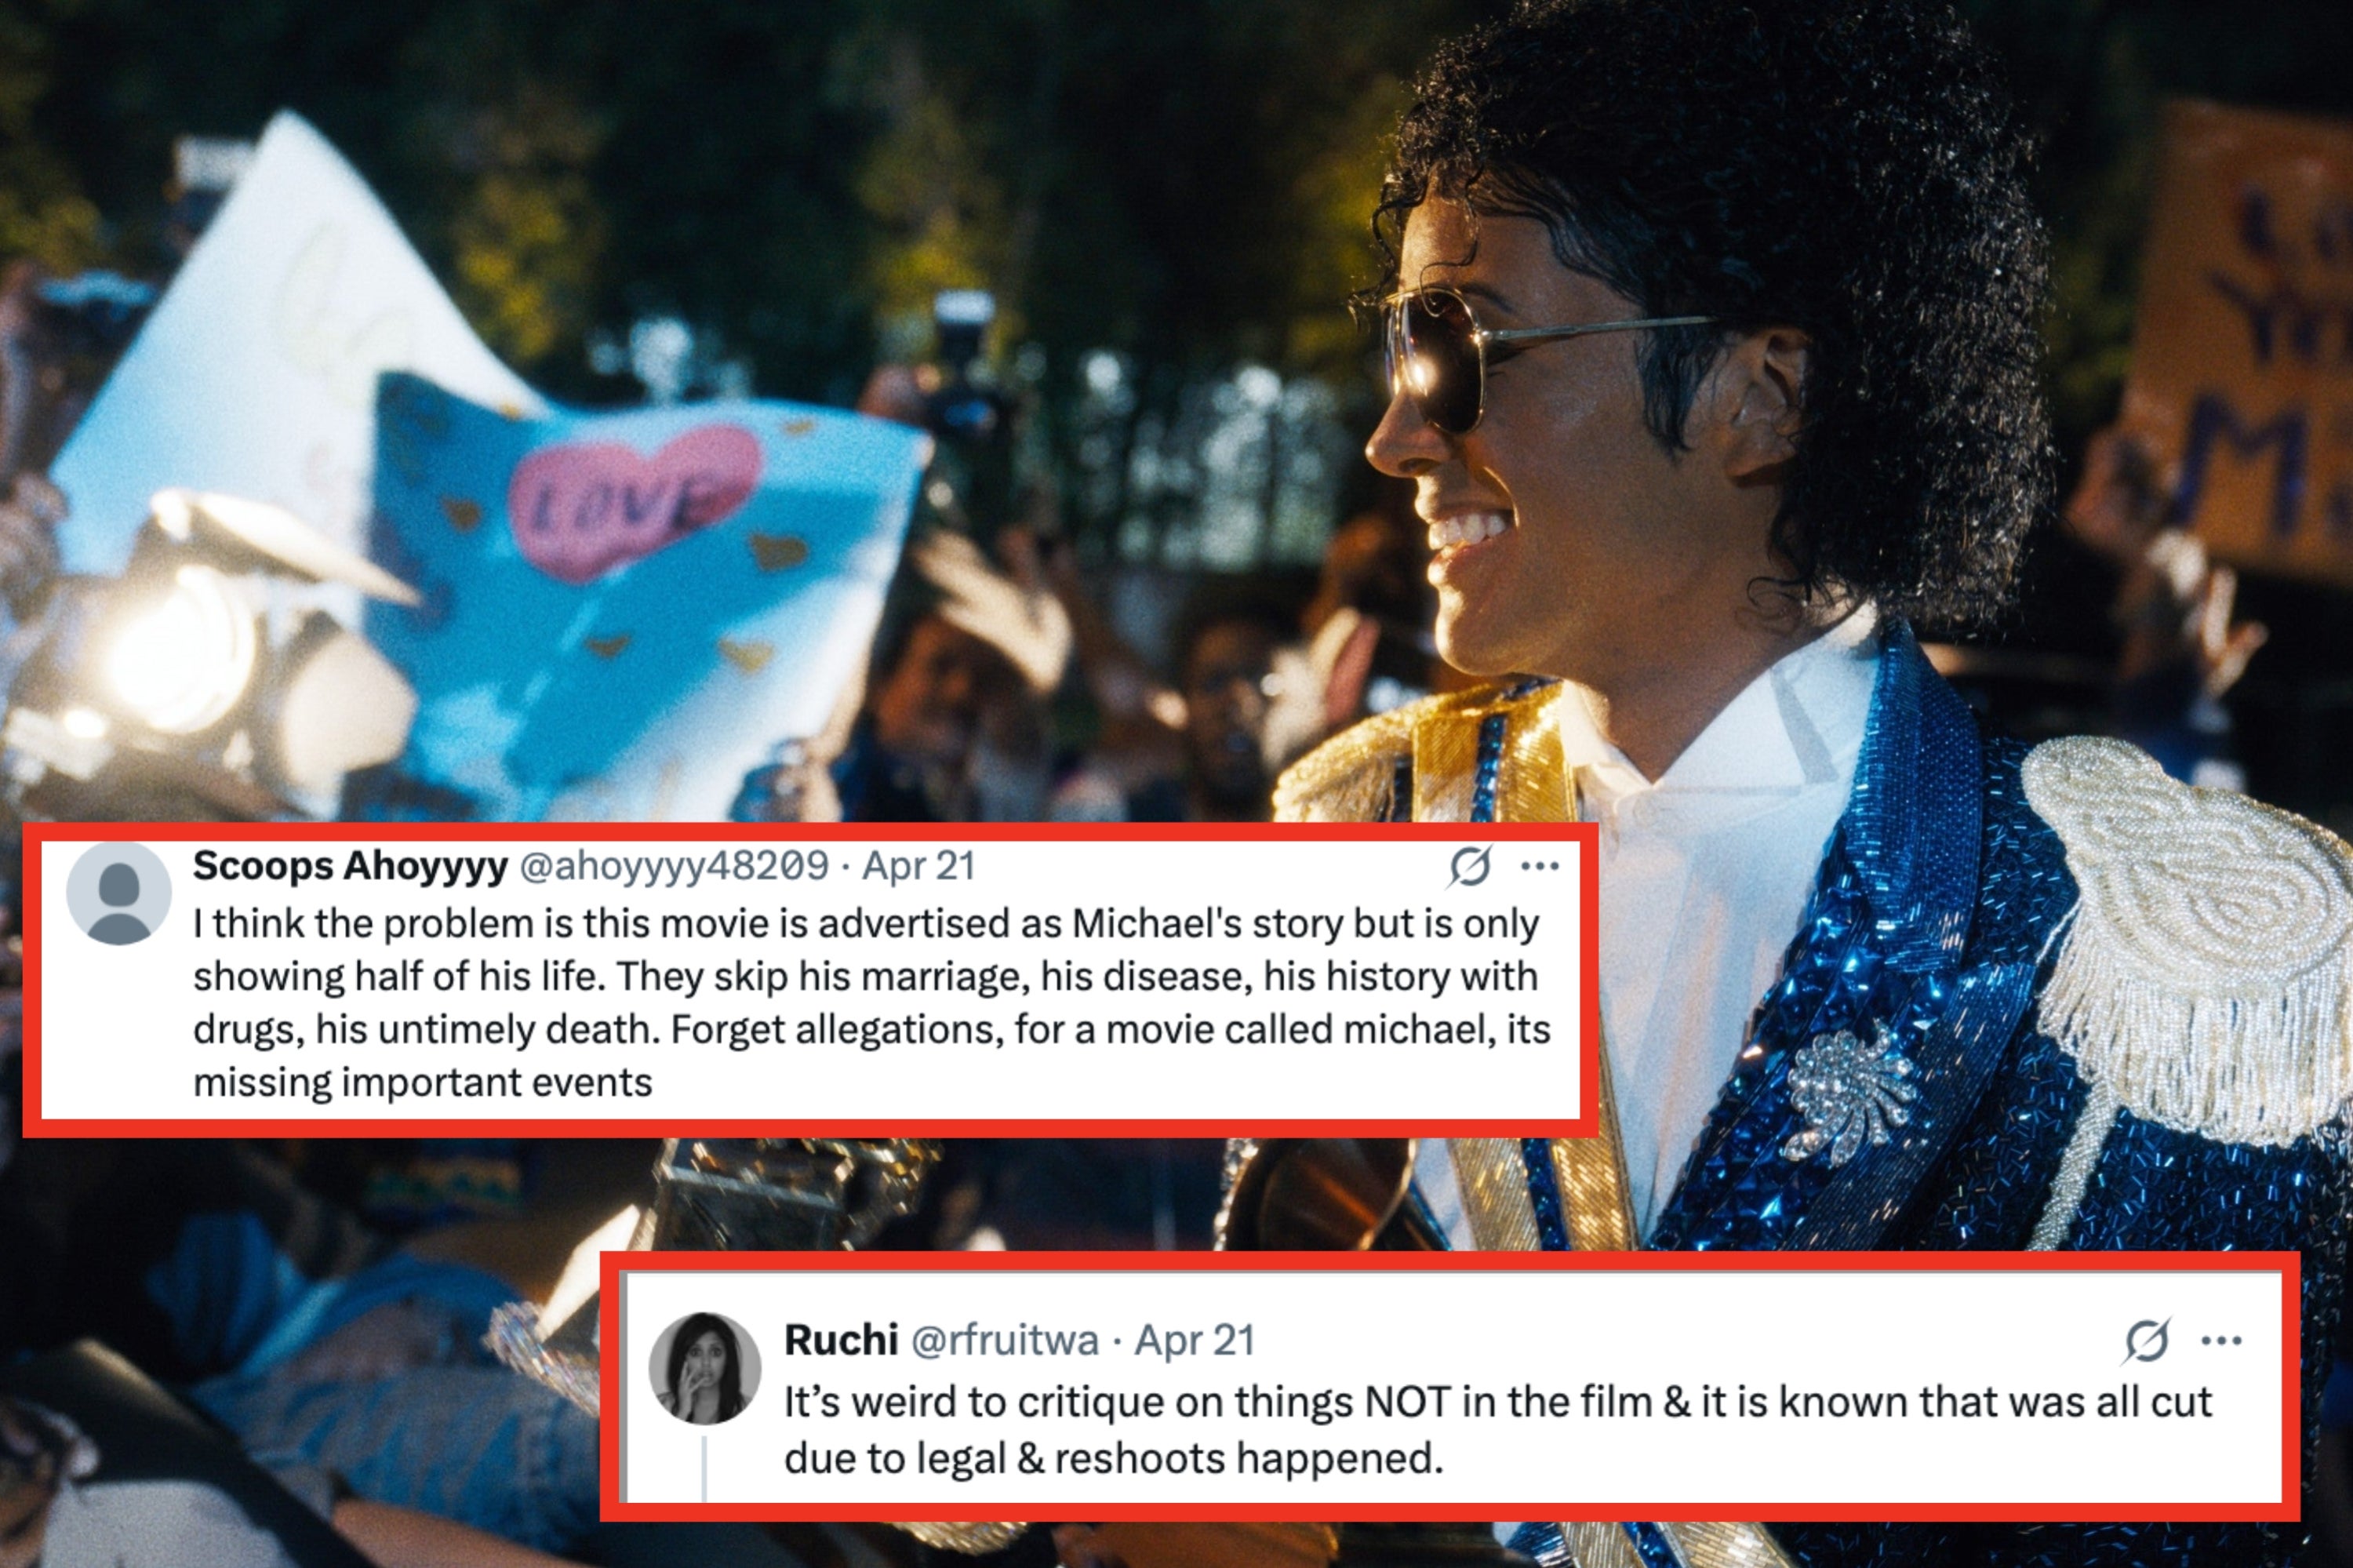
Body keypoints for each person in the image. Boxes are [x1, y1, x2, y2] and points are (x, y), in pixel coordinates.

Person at [1236, 2, 2353, 1564]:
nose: (1394, 434)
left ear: (1759, 397)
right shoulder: (1362, 829)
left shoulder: (2169, 966)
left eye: (1463, 346)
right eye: (1401, 349)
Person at [656, 1315, 746, 1426]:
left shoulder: (746, 1407)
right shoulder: (662, 1405)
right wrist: (682, 1413)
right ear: (683, 1359)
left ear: (728, 1359)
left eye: (715, 1352)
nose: (706, 1362)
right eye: (696, 1353)